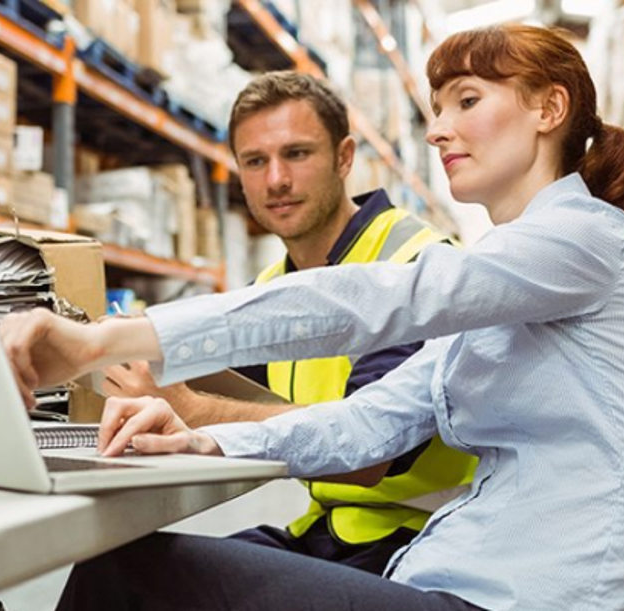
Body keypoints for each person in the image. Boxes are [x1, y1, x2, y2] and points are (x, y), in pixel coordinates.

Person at [0, 24, 624, 611]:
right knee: (131, 566)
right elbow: (369, 420)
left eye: (467, 101)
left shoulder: (583, 239)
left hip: (534, 598)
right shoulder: (510, 284)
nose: (439, 130)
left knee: (126, 575)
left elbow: (369, 299)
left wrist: (100, 340)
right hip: (448, 579)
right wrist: (202, 440)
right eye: (435, 111)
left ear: (550, 109)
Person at [102, 71, 476, 574]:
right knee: (121, 568)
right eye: (255, 161)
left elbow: (367, 457)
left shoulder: (413, 265)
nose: (276, 179)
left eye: (296, 154)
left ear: (345, 158)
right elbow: (223, 386)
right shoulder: (274, 285)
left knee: (130, 581)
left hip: (418, 543)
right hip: (329, 531)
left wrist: (190, 409)